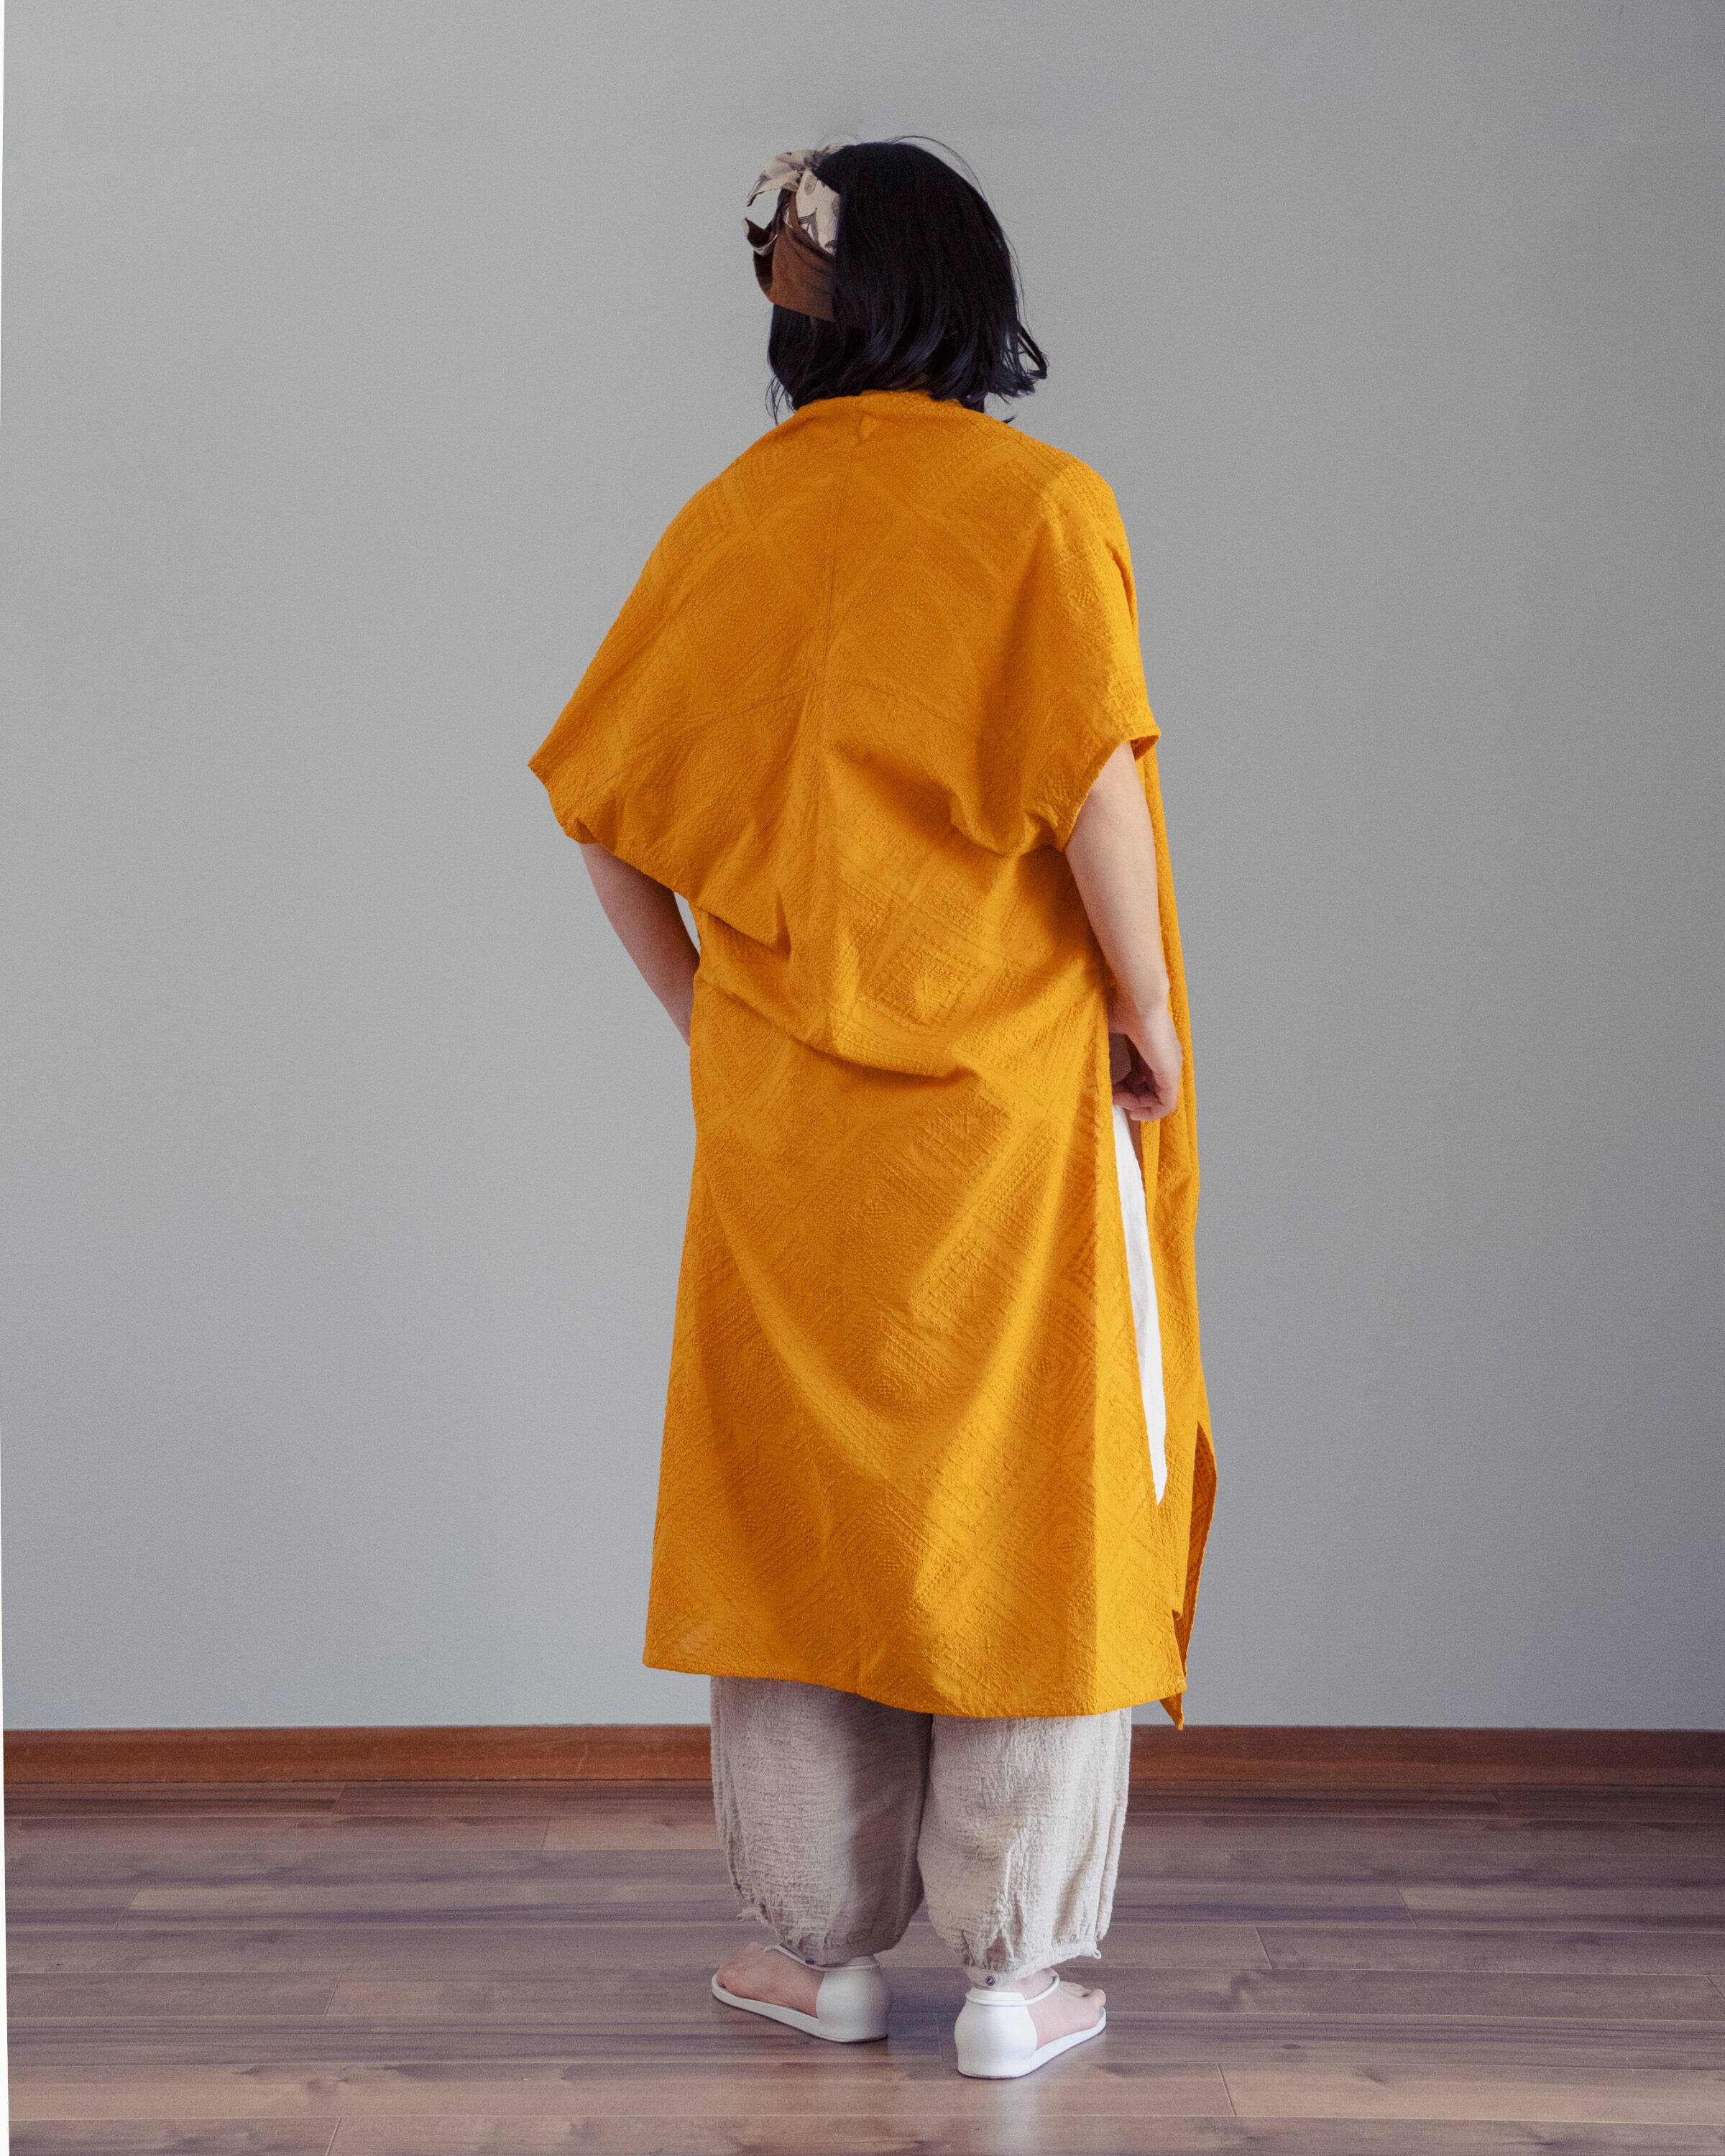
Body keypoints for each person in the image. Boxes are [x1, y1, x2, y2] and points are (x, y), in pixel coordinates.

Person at [530, 137, 1215, 2081]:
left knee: (796, 1506)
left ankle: (815, 1954)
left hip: (786, 1130)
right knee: (1032, 1491)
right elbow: (1092, 787)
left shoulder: (733, 521)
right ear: (964, 292)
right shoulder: (1039, 506)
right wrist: (1149, 1018)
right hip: (1008, 1110)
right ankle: (1014, 1973)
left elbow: (602, 812)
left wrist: (710, 1023)